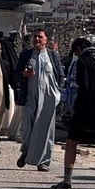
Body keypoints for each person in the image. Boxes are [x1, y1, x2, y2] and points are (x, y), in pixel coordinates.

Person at [51, 37, 95, 189]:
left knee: (71, 142)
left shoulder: (83, 61)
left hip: (85, 109)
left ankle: (67, 181)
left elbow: (82, 86)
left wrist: (75, 108)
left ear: (78, 49)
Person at [13, 28, 64, 171]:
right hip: (30, 98)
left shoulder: (53, 56)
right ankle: (26, 152)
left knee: (47, 130)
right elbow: (16, 76)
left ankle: (44, 161)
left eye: (40, 37)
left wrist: (57, 94)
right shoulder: (26, 55)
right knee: (27, 128)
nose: (37, 40)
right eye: (35, 37)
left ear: (46, 40)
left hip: (48, 100)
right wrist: (23, 74)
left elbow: (60, 75)